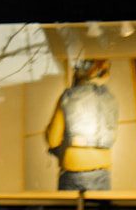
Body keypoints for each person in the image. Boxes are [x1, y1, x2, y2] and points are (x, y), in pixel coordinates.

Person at [45, 58, 118, 192]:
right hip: (102, 173)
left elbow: (52, 140)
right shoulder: (110, 98)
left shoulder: (67, 97)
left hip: (73, 171)